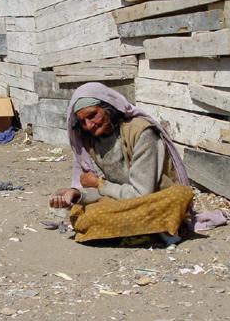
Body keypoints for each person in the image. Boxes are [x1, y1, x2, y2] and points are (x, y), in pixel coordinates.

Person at [49, 82, 194, 243]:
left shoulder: (141, 133)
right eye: (83, 122)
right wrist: (77, 194)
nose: (89, 125)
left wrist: (99, 184)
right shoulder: (92, 141)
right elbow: (106, 188)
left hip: (152, 199)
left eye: (92, 115)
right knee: (80, 212)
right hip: (122, 199)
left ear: (108, 108)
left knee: (180, 195)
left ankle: (152, 227)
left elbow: (141, 193)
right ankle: (149, 229)